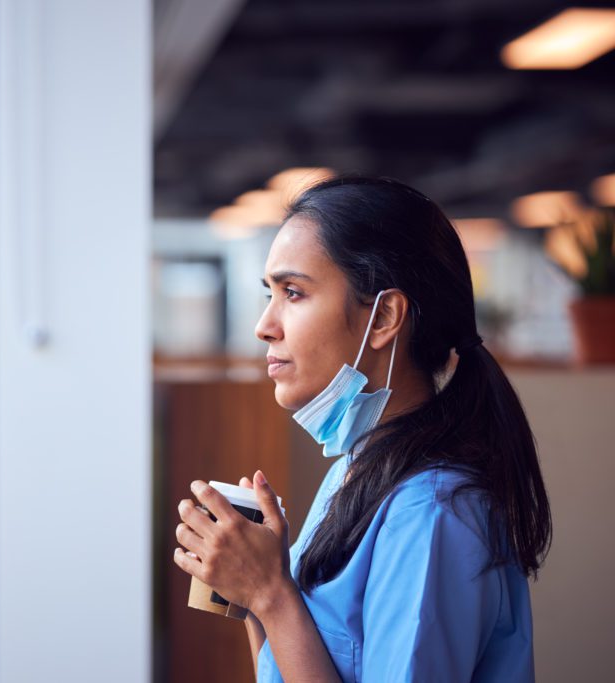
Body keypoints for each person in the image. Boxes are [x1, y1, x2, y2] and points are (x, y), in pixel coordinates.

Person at [172, 175, 551, 682]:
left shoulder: (431, 513)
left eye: (293, 292)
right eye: (270, 293)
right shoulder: (360, 467)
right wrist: (256, 591)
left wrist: (272, 594)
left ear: (383, 318)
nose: (265, 324)